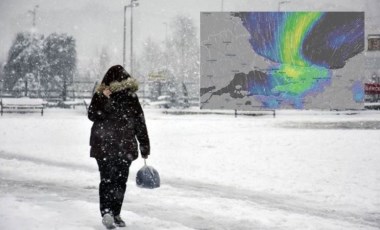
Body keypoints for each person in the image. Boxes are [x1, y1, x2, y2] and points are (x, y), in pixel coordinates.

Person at [88, 65, 150, 229]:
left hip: (111, 145)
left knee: (110, 180)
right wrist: (144, 145)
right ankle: (110, 213)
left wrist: (144, 145)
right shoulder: (103, 95)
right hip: (114, 146)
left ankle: (112, 212)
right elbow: (93, 115)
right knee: (118, 181)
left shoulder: (130, 97)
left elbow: (138, 121)